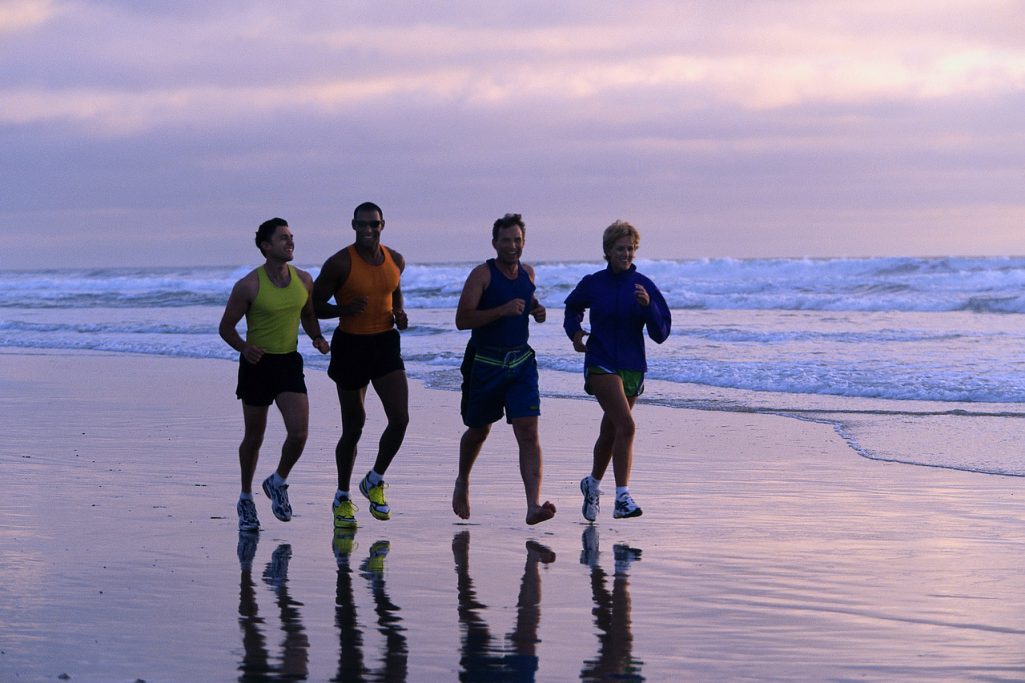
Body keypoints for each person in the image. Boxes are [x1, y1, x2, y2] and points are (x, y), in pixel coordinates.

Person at [219, 217, 330, 532]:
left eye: (291, 236)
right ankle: (245, 497)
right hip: (257, 365)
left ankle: (278, 481)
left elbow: (307, 313)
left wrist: (317, 337)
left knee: (299, 433)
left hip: (288, 363)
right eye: (283, 238)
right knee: (254, 437)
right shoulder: (249, 285)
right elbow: (225, 326)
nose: (290, 242)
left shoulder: (304, 280)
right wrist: (243, 347)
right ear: (266, 247)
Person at [451, 213, 556, 525]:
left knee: (528, 430)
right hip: (485, 363)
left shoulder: (528, 273)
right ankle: (462, 480)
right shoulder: (482, 275)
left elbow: (526, 303)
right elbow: (462, 320)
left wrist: (537, 311)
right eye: (507, 240)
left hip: (521, 363)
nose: (513, 246)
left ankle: (533, 505)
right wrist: (501, 311)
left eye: (518, 240)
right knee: (479, 430)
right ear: (495, 242)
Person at [564, 220, 671, 521]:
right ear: (608, 251)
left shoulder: (644, 286)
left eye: (631, 249)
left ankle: (592, 484)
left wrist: (649, 307)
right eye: (620, 249)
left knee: (611, 431)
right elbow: (572, 307)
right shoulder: (594, 282)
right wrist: (574, 332)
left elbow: (661, 333)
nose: (626, 254)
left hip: (633, 366)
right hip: (600, 360)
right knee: (627, 426)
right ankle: (622, 497)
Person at [313, 201, 409, 528]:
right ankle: (342, 496)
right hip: (351, 345)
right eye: (362, 225)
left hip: (384, 343)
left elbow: (395, 294)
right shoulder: (339, 263)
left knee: (400, 418)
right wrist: (344, 309)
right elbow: (312, 306)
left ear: (383, 224)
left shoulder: (396, 259)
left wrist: (400, 314)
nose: (368, 230)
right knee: (354, 426)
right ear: (352, 225)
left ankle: (375, 479)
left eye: (374, 224)